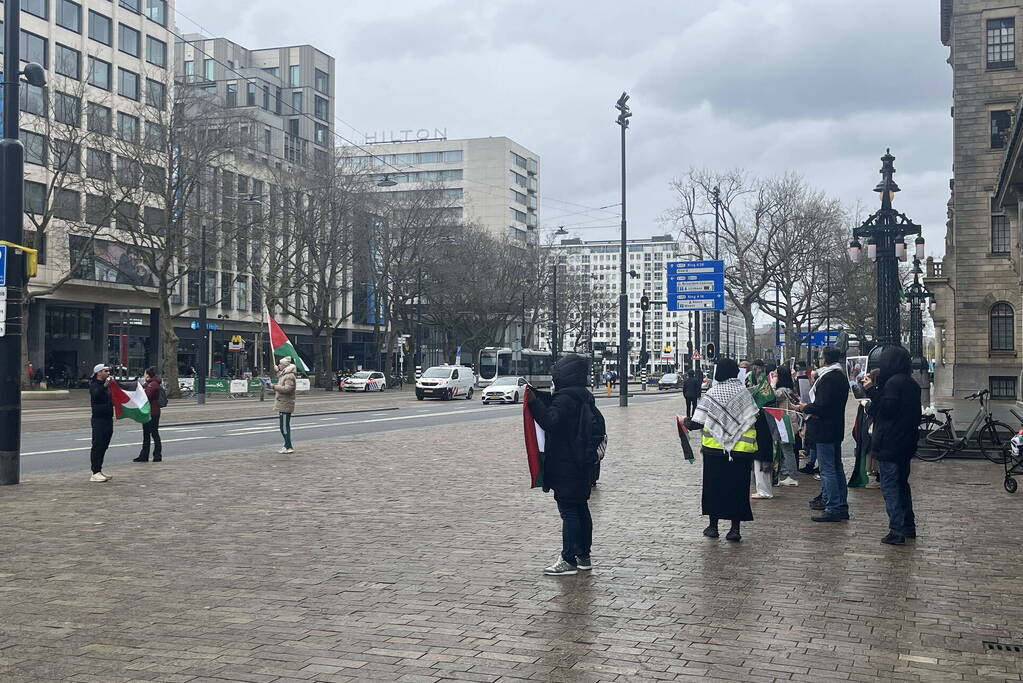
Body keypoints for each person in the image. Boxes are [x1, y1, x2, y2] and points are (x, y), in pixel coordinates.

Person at [526, 354, 598, 575]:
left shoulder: (565, 398)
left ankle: (568, 559)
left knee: (569, 510)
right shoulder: (583, 395)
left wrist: (533, 403)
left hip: (566, 463)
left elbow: (551, 421)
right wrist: (540, 397)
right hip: (582, 462)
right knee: (580, 507)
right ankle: (583, 555)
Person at [685, 358, 758, 542]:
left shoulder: (713, 392)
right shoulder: (745, 394)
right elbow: (754, 416)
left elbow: (697, 421)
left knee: (713, 488)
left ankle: (713, 526)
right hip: (741, 452)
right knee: (738, 489)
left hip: (714, 450)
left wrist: (684, 421)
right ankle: (735, 529)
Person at [863, 347, 921, 545]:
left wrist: (871, 391)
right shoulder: (911, 383)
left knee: (890, 487)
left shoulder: (894, 383)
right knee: (902, 485)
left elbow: (886, 411)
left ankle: (896, 530)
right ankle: (908, 525)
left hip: (891, 443)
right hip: (905, 442)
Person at [794, 346, 850, 522]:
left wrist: (805, 407)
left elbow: (823, 406)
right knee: (836, 467)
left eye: (820, 357)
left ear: (825, 359)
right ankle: (840, 504)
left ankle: (833, 506)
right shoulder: (839, 376)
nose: (818, 360)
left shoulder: (828, 378)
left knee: (828, 470)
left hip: (825, 428)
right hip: (835, 428)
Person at [774, 365, 800, 486]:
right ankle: (789, 472)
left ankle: (792, 476)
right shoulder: (790, 388)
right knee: (787, 449)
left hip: (784, 422)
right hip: (790, 422)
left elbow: (770, 397)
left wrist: (772, 383)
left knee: (787, 449)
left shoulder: (781, 391)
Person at [88, 364, 115, 482]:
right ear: (99, 372)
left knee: (104, 444)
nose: (108, 373)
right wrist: (105, 386)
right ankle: (95, 472)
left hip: (108, 417)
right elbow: (96, 395)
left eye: (108, 371)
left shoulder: (108, 386)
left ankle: (99, 469)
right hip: (98, 418)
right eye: (105, 371)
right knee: (97, 444)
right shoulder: (94, 385)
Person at [134, 367, 163, 463]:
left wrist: (143, 386)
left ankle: (157, 455)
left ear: (148, 375)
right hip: (149, 411)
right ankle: (144, 455)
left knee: (153, 433)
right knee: (146, 434)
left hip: (152, 412)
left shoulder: (153, 384)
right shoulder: (150, 383)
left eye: (145, 374)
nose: (144, 375)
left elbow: (146, 396)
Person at [271, 357, 297, 454]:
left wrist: (274, 387)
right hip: (283, 403)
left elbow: (287, 389)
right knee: (283, 427)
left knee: (284, 427)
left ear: (285, 366)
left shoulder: (289, 376)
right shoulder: (285, 374)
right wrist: (277, 371)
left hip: (286, 404)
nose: (279, 365)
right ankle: (286, 445)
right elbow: (281, 377)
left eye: (280, 364)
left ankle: (289, 446)